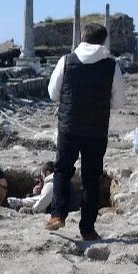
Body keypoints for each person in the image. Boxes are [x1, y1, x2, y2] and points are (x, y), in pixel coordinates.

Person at [46, 22, 126, 239]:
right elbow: (119, 101)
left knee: (62, 170)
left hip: (69, 127)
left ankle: (57, 215)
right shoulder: (111, 65)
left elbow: (53, 93)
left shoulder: (66, 61)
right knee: (92, 177)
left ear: (82, 38)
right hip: (97, 130)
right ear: (103, 41)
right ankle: (88, 228)